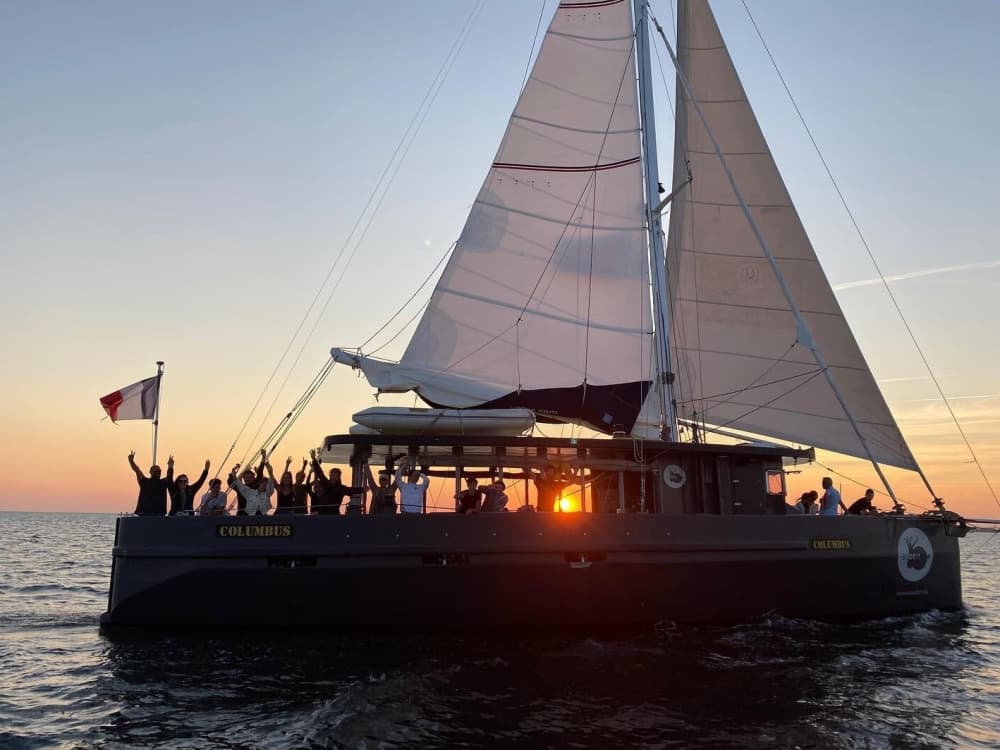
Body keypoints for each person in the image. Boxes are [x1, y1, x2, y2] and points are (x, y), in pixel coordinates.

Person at [309, 449, 365, 514]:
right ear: (330, 475)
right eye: (332, 475)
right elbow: (320, 473)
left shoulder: (341, 488)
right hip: (322, 513)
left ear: (338, 477)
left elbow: (350, 490)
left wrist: (362, 489)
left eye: (335, 475)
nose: (333, 477)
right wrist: (314, 459)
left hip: (334, 514)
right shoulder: (326, 483)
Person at [128, 451, 174, 516]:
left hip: (159, 514)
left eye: (159, 471)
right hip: (143, 514)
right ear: (150, 472)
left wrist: (170, 465)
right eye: (156, 471)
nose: (158, 472)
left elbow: (169, 476)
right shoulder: (144, 481)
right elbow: (137, 470)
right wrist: (131, 461)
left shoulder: (163, 483)